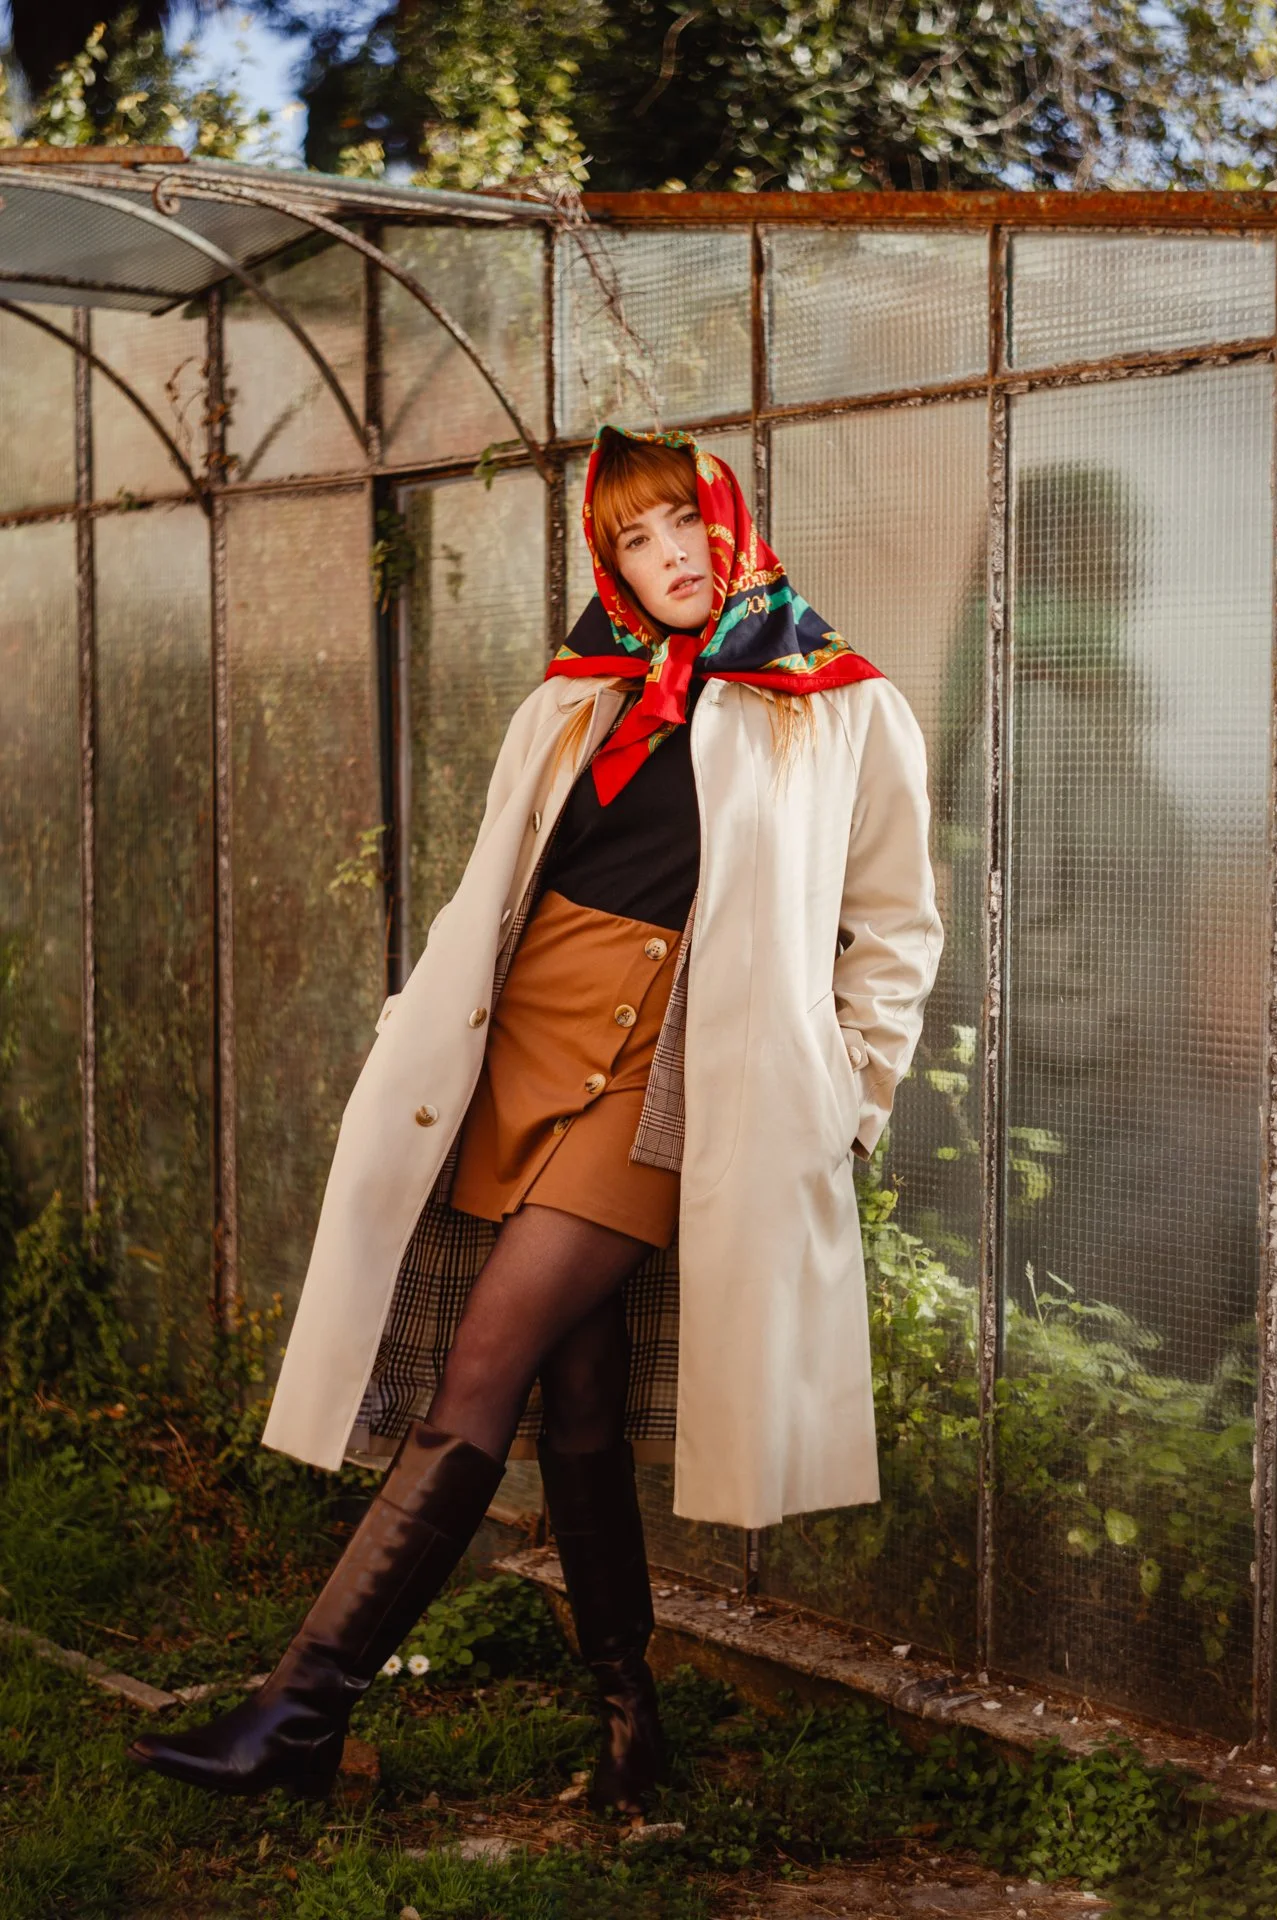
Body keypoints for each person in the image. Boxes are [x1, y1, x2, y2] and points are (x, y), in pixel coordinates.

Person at [128, 425, 943, 1813]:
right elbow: (490, 888)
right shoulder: (574, 693)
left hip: (667, 1071)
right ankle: (635, 1735)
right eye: (634, 538)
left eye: (684, 522)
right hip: (523, 1045)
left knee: (475, 1385)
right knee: (572, 1414)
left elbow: (895, 933)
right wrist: (416, 1026)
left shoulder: (841, 700)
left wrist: (842, 1104)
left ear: (731, 520)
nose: (669, 555)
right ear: (608, 560)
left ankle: (299, 1715)